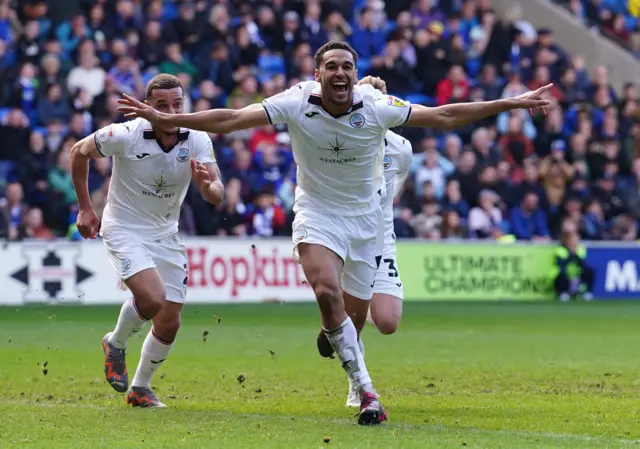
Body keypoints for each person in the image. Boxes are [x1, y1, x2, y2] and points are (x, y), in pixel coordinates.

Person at [117, 40, 550, 424]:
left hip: (367, 226)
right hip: (317, 214)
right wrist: (165, 117)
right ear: (318, 74)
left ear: (356, 75)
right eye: (332, 66)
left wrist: (511, 103)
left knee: (355, 319)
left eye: (347, 66)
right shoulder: (295, 101)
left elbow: (446, 116)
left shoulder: (378, 106)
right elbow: (233, 117)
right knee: (327, 292)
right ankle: (367, 392)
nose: (340, 73)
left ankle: (336, 338)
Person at [70, 74, 224, 408]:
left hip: (166, 232)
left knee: (169, 322)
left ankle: (139, 389)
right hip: (124, 227)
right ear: (147, 107)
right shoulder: (126, 135)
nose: (170, 111)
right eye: (162, 105)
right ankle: (116, 342)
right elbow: (79, 151)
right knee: (152, 299)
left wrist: (206, 186)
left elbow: (217, 194)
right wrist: (85, 208)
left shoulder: (196, 138)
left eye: (177, 104)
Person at [551, 218, 595, 302]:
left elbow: (582, 264)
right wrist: (571, 255)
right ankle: (563, 292)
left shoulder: (580, 249)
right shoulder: (560, 250)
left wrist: (575, 255)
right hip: (564, 275)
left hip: (576, 275)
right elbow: (561, 265)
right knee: (562, 275)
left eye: (576, 240)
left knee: (589, 271)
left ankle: (587, 292)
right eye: (573, 240)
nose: (575, 242)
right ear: (567, 241)